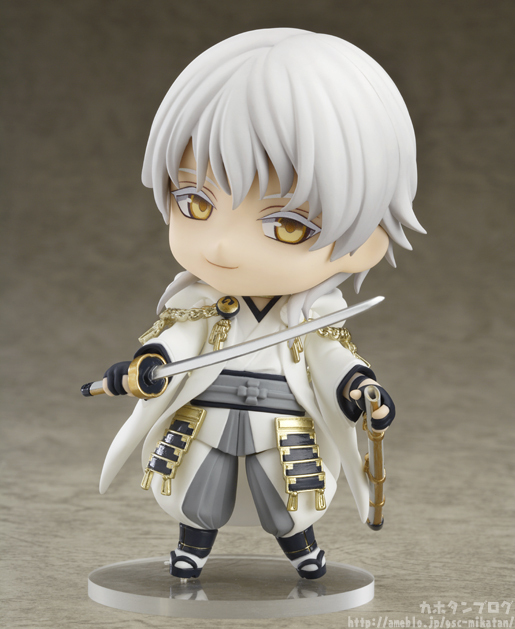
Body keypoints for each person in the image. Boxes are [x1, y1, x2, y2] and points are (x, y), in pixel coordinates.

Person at [97, 28, 424, 580]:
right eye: (195, 203)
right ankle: (192, 547)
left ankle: (303, 550)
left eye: (287, 225)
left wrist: (360, 389)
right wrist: (149, 364)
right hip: (207, 411)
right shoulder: (200, 302)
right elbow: (178, 338)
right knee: (197, 488)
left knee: (289, 497)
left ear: (366, 239)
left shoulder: (315, 315)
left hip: (282, 419)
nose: (223, 246)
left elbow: (331, 358)